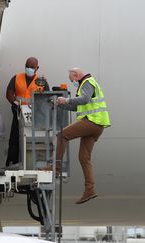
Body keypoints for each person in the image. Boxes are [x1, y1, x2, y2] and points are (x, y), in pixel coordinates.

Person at [45, 67, 111, 204]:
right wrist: (60, 104)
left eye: (72, 79)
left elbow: (84, 99)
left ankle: (55, 168)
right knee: (84, 157)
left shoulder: (87, 82)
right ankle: (90, 190)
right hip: (98, 125)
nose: (72, 82)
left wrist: (67, 100)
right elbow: (78, 106)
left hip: (92, 121)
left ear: (76, 75)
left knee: (61, 135)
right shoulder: (86, 84)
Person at [5, 57, 49, 167]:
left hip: (34, 117)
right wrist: (14, 102)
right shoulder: (17, 77)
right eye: (27, 66)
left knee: (32, 141)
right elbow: (9, 93)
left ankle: (32, 164)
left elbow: (47, 98)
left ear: (37, 68)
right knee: (15, 140)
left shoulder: (42, 82)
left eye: (32, 67)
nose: (29, 68)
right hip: (18, 114)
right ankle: (11, 163)